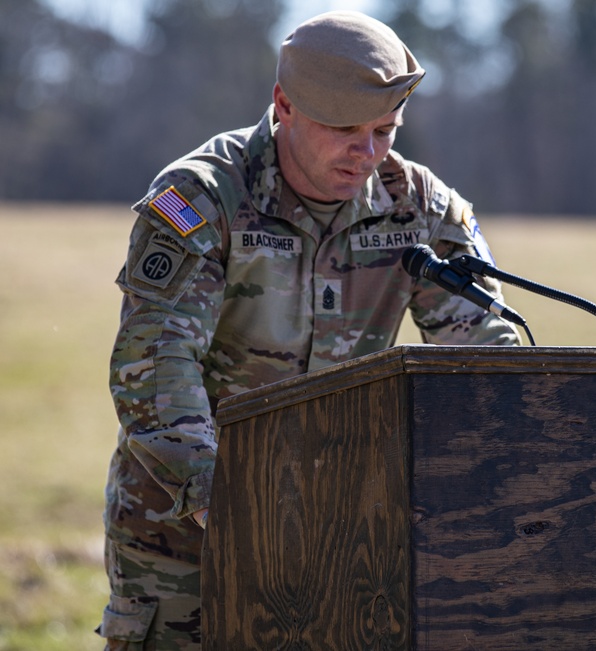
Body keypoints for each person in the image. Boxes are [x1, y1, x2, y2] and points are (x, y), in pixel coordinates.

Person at [96, 11, 520, 649]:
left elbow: (489, 360)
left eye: (385, 129)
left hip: (350, 531)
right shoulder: (203, 197)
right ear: (284, 106)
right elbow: (153, 368)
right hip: (186, 532)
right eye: (346, 129)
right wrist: (233, 509)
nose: (369, 153)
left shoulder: (420, 209)